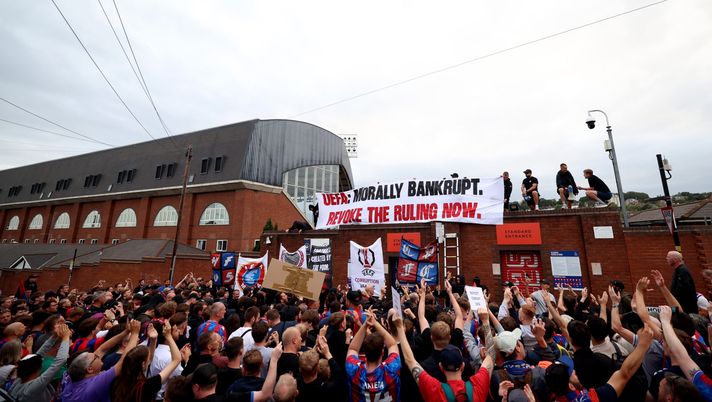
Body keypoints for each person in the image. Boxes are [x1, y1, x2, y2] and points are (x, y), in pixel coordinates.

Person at [396, 309, 493, 402]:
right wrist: (485, 321)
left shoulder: (434, 390)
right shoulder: (478, 385)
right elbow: (491, 355)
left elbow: (410, 360)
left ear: (441, 366)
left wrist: (400, 328)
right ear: (462, 366)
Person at [62, 319, 141, 402]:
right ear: (89, 369)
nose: (98, 355)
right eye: (96, 357)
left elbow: (102, 349)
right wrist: (135, 334)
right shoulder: (93, 386)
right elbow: (122, 363)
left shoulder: (71, 377)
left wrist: (126, 331)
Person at [110, 321, 181, 402]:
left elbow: (149, 358)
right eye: (147, 360)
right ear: (143, 364)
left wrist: (153, 340)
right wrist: (168, 336)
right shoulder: (147, 386)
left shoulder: (117, 380)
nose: (150, 360)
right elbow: (176, 360)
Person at [345, 309, 400, 402]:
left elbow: (353, 349)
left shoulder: (353, 370)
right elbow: (392, 344)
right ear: (382, 352)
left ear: (364, 353)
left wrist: (365, 324)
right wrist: (375, 323)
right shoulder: (391, 369)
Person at [10, 323, 71, 402]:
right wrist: (65, 337)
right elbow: (60, 361)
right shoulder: (33, 387)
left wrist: (54, 336)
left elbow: (38, 355)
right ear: (36, 370)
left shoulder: (19, 378)